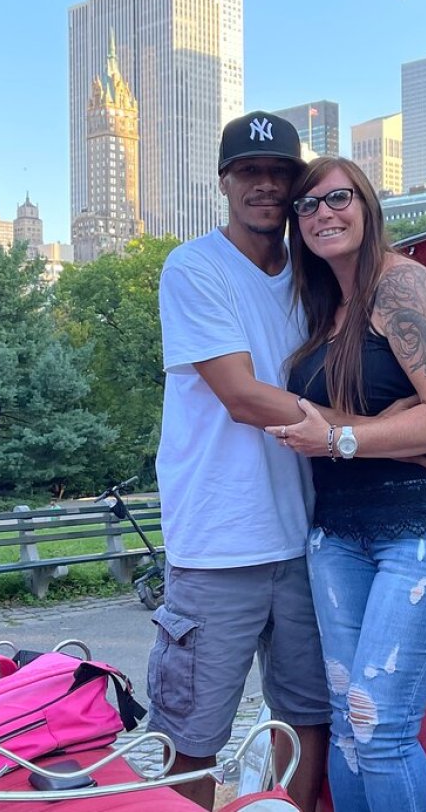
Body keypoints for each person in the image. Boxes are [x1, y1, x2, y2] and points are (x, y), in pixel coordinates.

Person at [266, 156, 426, 812]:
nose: (323, 214)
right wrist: (375, 428)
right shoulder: (325, 310)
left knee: (377, 728)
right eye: (306, 207)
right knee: (348, 727)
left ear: (366, 205)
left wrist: (345, 439)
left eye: (337, 198)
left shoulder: (402, 286)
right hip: (340, 532)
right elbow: (322, 421)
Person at [149, 110, 330, 811]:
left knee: (306, 715)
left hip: (305, 540)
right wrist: (364, 432)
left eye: (280, 173)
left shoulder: (315, 280)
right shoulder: (193, 267)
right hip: (217, 544)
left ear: (295, 187)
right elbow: (241, 396)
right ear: (224, 182)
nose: (265, 186)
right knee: (192, 734)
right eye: (249, 172)